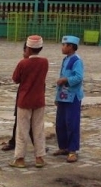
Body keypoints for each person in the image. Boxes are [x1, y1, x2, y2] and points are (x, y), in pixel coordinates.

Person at [9, 35, 49, 169]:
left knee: (22, 130)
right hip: (39, 99)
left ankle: (20, 158)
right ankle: (39, 157)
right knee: (38, 129)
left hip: (24, 100)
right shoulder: (45, 62)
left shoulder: (23, 63)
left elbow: (15, 79)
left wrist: (25, 59)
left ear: (28, 48)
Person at [54, 34, 84, 163]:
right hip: (62, 96)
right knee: (60, 123)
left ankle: (72, 150)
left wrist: (66, 79)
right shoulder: (66, 59)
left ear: (70, 47)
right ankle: (63, 146)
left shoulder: (77, 60)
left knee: (72, 123)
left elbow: (78, 77)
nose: (62, 47)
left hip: (73, 97)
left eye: (64, 45)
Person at [1, 43, 34, 152]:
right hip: (31, 94)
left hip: (25, 94)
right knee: (25, 120)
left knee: (27, 120)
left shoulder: (25, 63)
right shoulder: (42, 62)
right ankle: (15, 142)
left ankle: (23, 145)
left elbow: (16, 78)